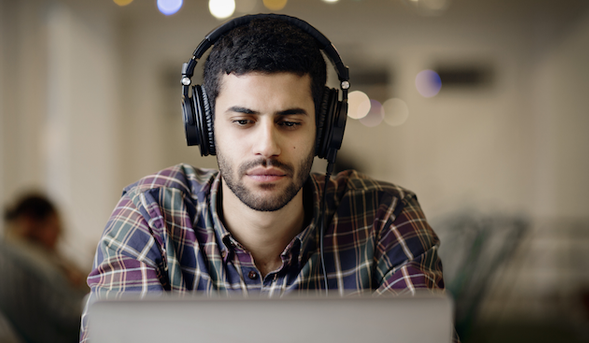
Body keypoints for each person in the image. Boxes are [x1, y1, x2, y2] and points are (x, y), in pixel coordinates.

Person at [80, 14, 447, 341]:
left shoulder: (386, 216)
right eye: (243, 121)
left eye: (289, 122)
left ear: (324, 130)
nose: (267, 146)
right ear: (206, 129)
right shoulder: (149, 215)